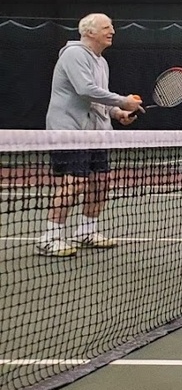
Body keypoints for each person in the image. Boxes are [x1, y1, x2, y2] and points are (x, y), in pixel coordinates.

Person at [36, 13, 142, 257]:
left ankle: (86, 230)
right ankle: (50, 237)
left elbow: (99, 99)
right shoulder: (74, 54)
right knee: (75, 182)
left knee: (101, 182)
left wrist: (117, 113)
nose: (112, 31)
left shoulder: (101, 62)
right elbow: (86, 90)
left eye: (112, 26)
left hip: (96, 133)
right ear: (89, 32)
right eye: (107, 27)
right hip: (70, 130)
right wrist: (123, 101)